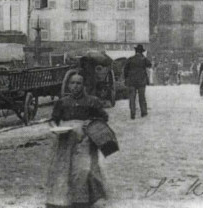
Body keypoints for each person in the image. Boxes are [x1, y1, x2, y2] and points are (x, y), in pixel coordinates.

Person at [46, 74, 109, 207]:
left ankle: (82, 200)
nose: (75, 86)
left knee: (83, 169)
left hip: (85, 139)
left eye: (79, 83)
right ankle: (62, 199)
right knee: (65, 168)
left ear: (84, 86)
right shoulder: (62, 102)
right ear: (68, 85)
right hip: (66, 139)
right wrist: (54, 128)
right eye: (73, 83)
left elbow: (104, 117)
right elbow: (53, 119)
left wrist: (91, 121)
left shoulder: (92, 101)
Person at [123, 44, 151, 119]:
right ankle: (143, 112)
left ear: (135, 51)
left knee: (132, 97)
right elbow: (149, 64)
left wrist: (126, 78)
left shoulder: (130, 59)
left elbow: (125, 70)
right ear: (141, 52)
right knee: (142, 97)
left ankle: (132, 113)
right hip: (141, 81)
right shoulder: (144, 59)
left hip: (131, 81)